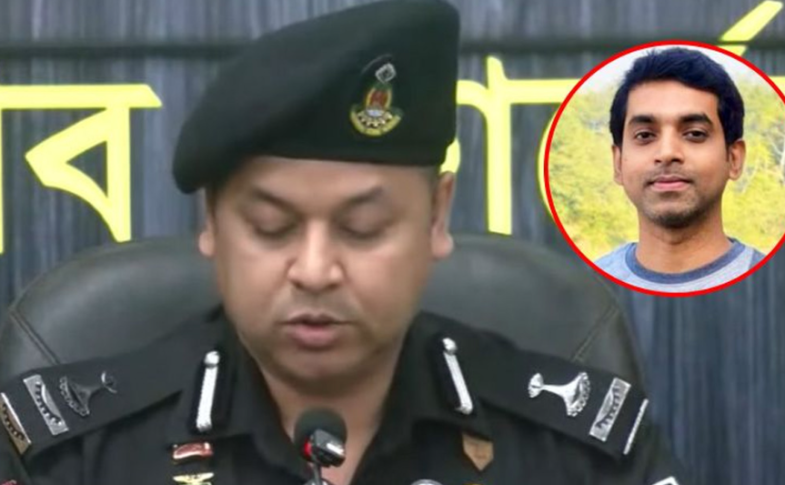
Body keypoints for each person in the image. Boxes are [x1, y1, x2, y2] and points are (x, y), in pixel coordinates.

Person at [1, 1, 688, 484]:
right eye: (271, 227)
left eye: (362, 229)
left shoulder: (575, 446)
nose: (315, 269)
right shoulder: (73, 454)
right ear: (210, 222)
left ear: (435, 217)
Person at [595, 47, 765, 292]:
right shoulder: (583, 294)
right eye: (644, 135)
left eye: (694, 134)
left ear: (734, 158)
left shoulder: (772, 290)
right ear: (618, 162)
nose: (667, 153)